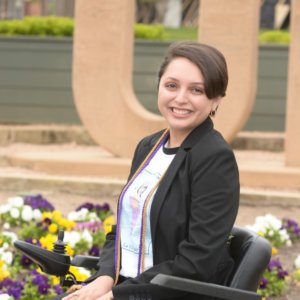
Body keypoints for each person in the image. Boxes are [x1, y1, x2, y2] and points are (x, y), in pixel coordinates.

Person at [53, 41, 240, 300]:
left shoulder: (214, 158)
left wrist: (116, 295)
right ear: (159, 86)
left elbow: (197, 261)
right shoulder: (149, 146)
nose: (181, 98)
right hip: (125, 284)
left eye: (197, 90)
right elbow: (123, 228)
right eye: (172, 85)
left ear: (215, 100)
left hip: (171, 293)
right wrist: (105, 278)